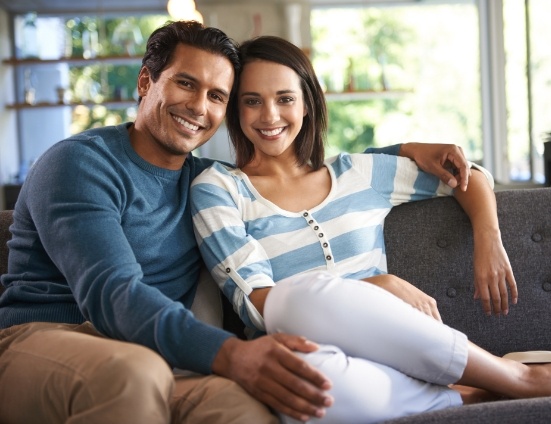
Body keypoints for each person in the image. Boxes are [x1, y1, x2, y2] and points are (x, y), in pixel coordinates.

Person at [0, 20, 478, 424]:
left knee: (248, 406)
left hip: (161, 355)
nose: (199, 107)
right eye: (186, 83)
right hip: (46, 339)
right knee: (133, 373)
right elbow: (111, 294)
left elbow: (314, 180)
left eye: (217, 96)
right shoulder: (79, 164)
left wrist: (409, 150)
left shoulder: (205, 183)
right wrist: (231, 353)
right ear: (146, 82)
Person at [189, 35, 551, 424]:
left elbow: (467, 176)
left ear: (308, 103)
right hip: (306, 353)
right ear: (236, 110)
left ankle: (518, 377)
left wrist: (488, 241)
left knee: (297, 303)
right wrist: (374, 285)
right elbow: (257, 303)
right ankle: (466, 396)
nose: (270, 115)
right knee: (298, 332)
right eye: (252, 100)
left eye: (285, 98)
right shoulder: (218, 189)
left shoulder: (356, 173)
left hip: (392, 344)